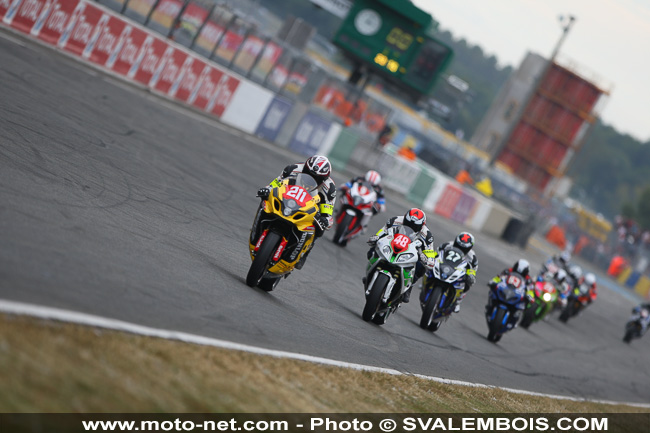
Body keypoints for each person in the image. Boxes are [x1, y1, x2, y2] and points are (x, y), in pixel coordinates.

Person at [256, 155, 336, 268]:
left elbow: (328, 211)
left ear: (324, 179)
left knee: (320, 227)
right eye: (308, 173)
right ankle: (257, 230)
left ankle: (306, 252)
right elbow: (275, 184)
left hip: (311, 204)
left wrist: (325, 220)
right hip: (288, 197)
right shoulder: (292, 169)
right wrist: (266, 190)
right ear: (305, 168)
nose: (311, 178)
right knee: (265, 200)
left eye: (317, 178)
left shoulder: (329, 188)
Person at [367, 208, 435, 303]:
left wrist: (427, 259)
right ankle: (371, 271)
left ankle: (410, 285)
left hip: (411, 251)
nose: (411, 226)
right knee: (372, 250)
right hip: (393, 244)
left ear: (422, 225)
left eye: (415, 226)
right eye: (408, 223)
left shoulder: (427, 235)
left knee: (421, 267)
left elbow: (431, 254)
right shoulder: (394, 220)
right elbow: (381, 232)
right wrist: (376, 238)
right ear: (404, 219)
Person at [436, 232, 478, 313]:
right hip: (444, 265)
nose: (460, 249)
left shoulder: (472, 256)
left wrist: (471, 274)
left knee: (470, 281)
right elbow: (436, 252)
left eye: (464, 248)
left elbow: (473, 270)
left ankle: (458, 300)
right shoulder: (447, 245)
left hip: (458, 270)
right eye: (458, 246)